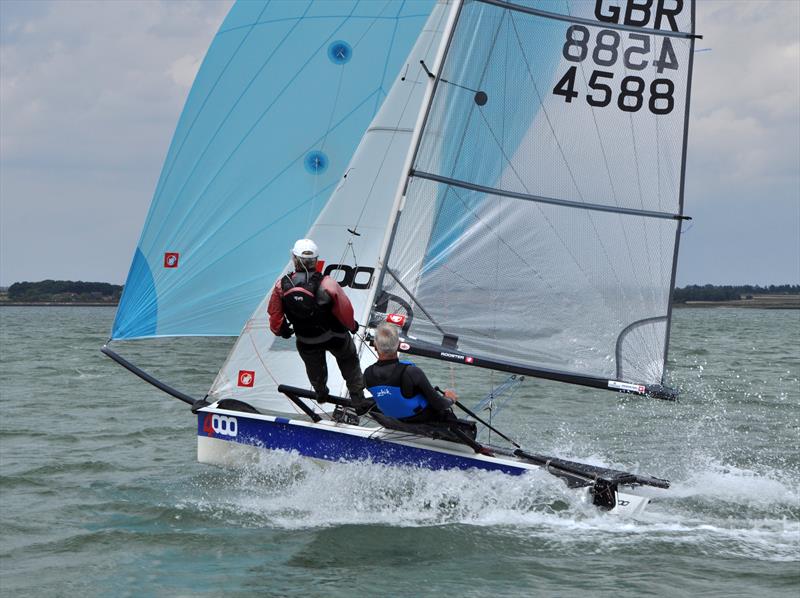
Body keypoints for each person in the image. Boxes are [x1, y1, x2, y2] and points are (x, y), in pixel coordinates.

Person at [268, 239, 366, 408]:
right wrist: (353, 326)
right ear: (316, 260)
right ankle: (357, 396)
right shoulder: (328, 283)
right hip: (335, 337)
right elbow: (346, 311)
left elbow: (274, 314)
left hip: (306, 340)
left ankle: (320, 392)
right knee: (349, 359)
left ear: (294, 258)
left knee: (314, 366)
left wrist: (280, 330)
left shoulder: (281, 285)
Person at [363, 322, 459, 424]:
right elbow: (439, 404)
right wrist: (450, 399)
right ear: (399, 344)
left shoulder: (367, 374)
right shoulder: (411, 372)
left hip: (393, 421)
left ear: (375, 346)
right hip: (422, 420)